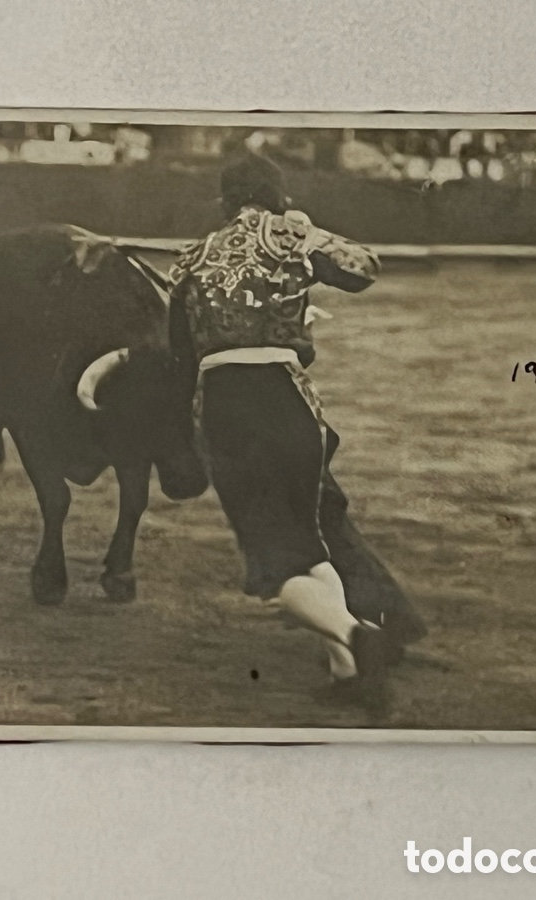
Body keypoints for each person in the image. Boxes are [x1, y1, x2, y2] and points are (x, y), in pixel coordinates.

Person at [166, 153, 398, 708]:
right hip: (293, 401)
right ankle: (350, 678)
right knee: (308, 542)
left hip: (226, 402)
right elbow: (365, 267)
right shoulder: (289, 233)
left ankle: (355, 639)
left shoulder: (191, 258)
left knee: (276, 566)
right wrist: (305, 244)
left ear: (224, 199)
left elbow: (180, 352)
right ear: (278, 195)